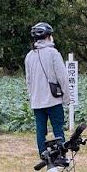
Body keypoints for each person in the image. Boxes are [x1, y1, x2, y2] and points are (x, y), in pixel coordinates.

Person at [23, 22, 70, 158]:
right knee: (58, 128)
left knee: (40, 129)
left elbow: (28, 80)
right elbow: (62, 77)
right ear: (49, 36)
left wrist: (32, 96)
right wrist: (67, 97)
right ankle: (61, 154)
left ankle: (43, 154)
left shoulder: (29, 56)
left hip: (36, 100)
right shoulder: (53, 53)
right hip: (53, 98)